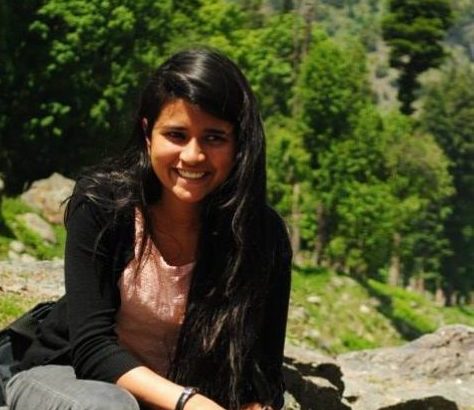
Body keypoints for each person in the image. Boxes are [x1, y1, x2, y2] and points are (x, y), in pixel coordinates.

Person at [5, 48, 292, 410]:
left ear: (239, 144)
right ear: (147, 133)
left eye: (214, 137)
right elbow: (92, 348)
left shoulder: (263, 237)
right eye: (176, 134)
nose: (193, 155)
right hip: (70, 378)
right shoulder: (103, 205)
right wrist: (188, 402)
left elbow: (264, 372)